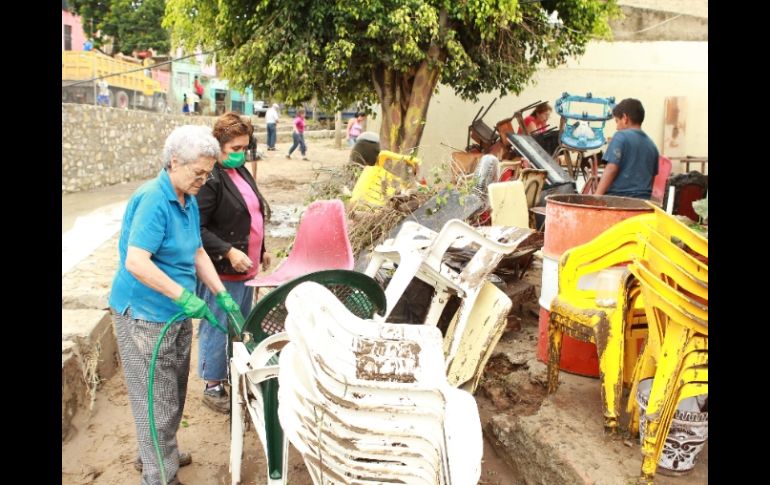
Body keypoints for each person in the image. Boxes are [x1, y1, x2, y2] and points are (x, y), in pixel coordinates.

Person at [109, 125, 245, 485]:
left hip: (175, 312)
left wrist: (220, 293)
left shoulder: (186, 198)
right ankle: (159, 475)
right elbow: (137, 261)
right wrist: (185, 296)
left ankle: (155, 450)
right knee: (156, 397)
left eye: (208, 172)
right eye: (198, 172)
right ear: (174, 162)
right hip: (145, 314)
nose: (204, 179)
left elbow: (198, 250)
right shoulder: (155, 198)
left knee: (172, 391)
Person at [195, 112, 272, 413]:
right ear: (218, 146)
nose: (240, 154)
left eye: (244, 148)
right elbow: (197, 229)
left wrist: (261, 248)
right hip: (223, 270)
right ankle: (213, 385)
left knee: (240, 326)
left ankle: (232, 373)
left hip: (246, 267)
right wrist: (228, 251)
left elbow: (253, 211)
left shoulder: (241, 173)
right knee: (218, 325)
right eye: (235, 149)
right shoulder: (210, 179)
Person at [594, 98, 659, 200]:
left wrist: (596, 197)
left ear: (625, 118)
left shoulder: (620, 137)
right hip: (643, 202)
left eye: (617, 121)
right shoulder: (652, 146)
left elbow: (611, 169)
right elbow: (652, 178)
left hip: (619, 200)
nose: (617, 127)